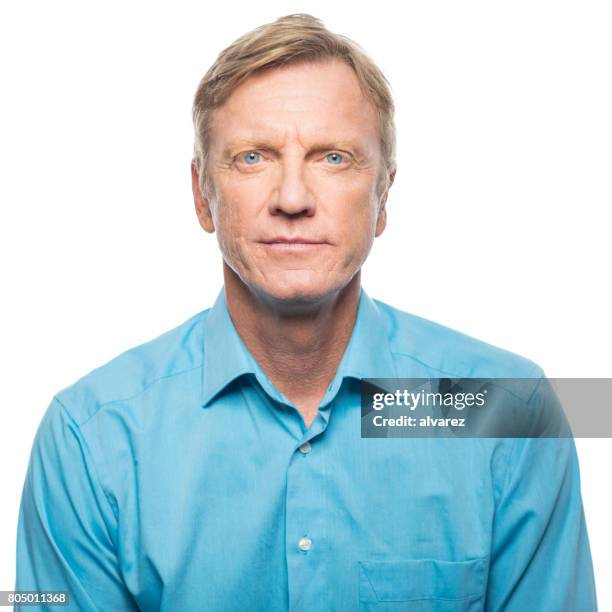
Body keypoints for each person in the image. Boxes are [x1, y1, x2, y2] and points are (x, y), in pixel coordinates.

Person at [16, 13, 597, 611]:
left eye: (334, 158)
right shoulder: (89, 437)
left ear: (383, 198)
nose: (292, 198)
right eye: (252, 157)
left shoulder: (506, 409)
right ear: (201, 196)